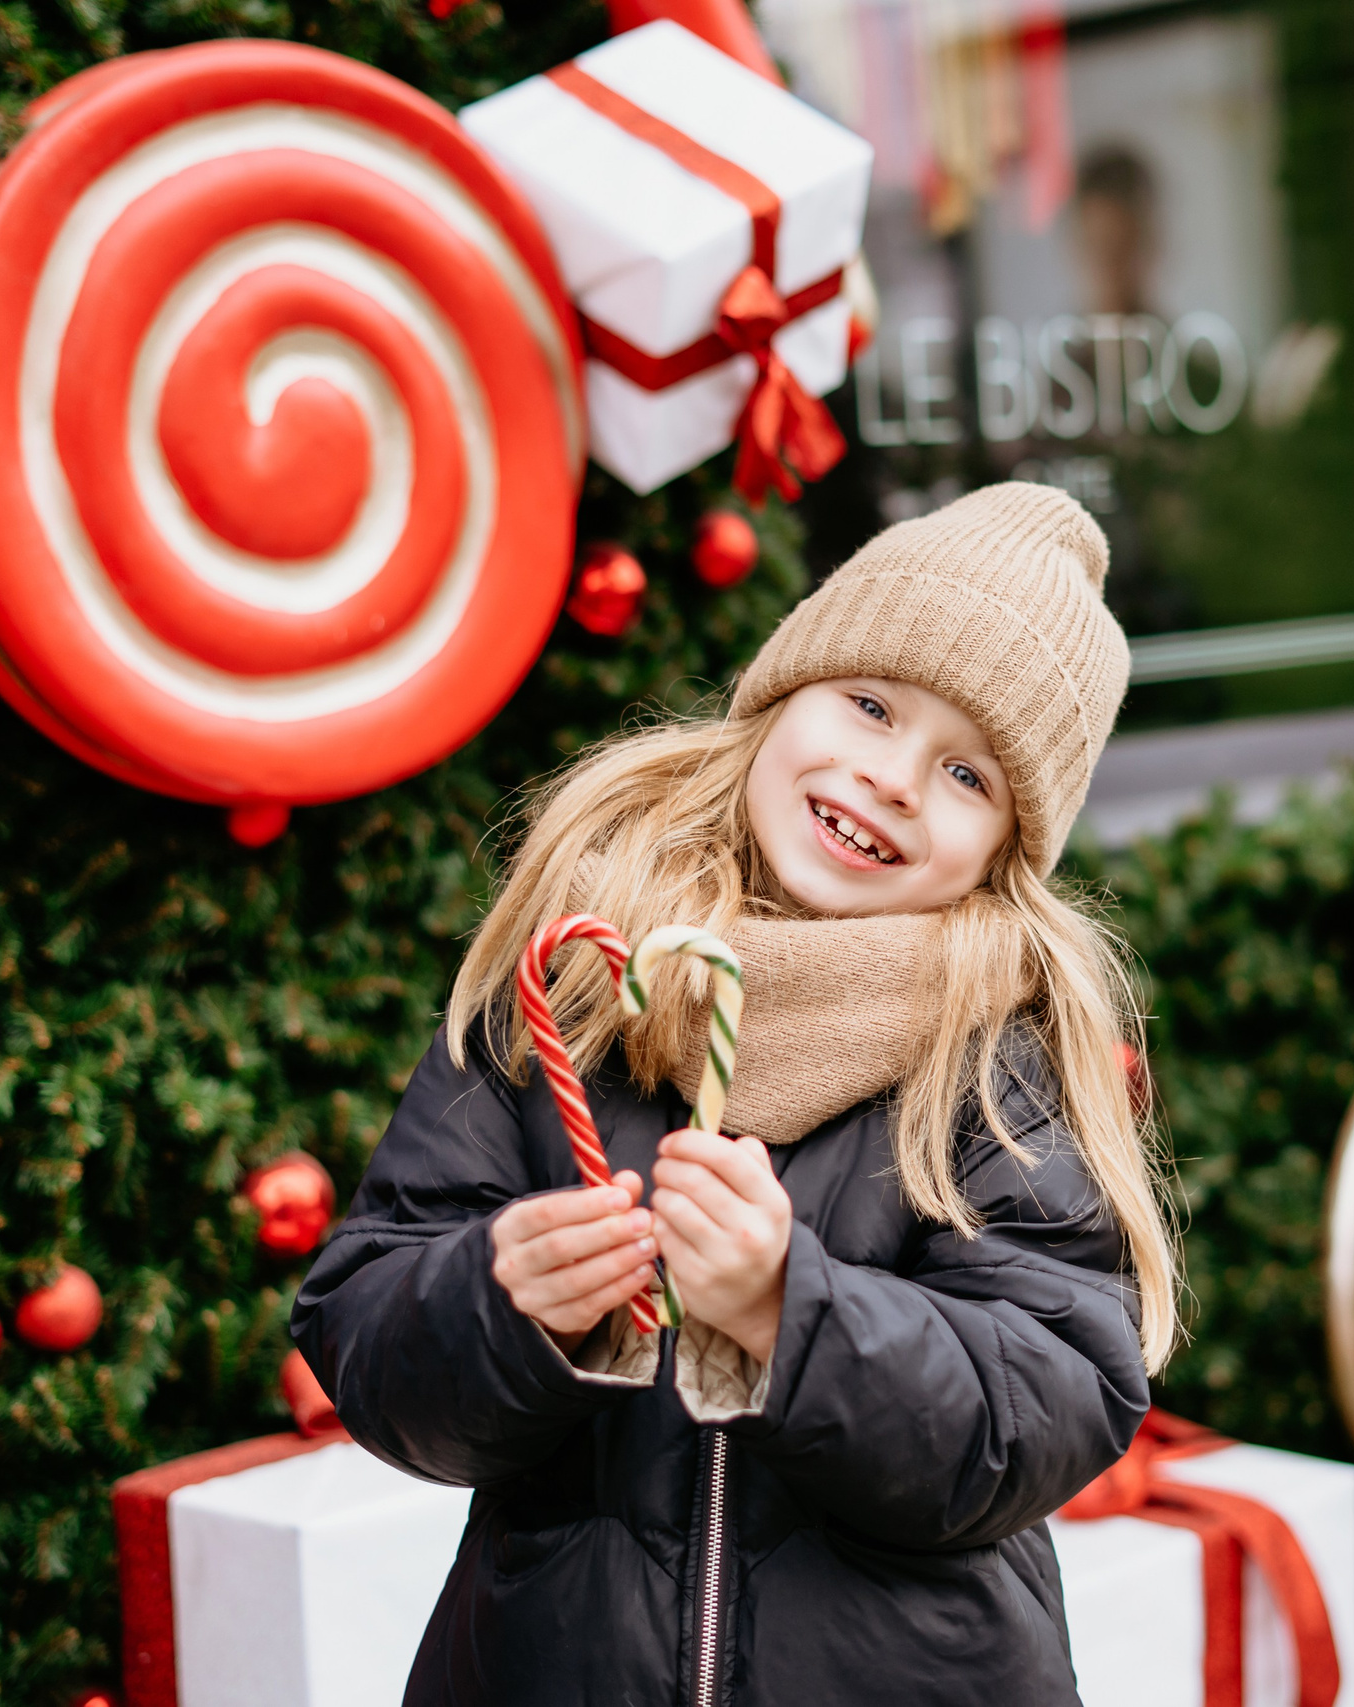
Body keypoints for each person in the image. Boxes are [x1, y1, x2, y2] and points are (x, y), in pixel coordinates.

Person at [291, 483, 1178, 1707]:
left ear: (1003, 851)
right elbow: (366, 1338)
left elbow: (1039, 1413)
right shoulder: (577, 989)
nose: (892, 778)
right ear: (781, 691)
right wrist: (501, 1303)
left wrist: (791, 1313)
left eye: (968, 775)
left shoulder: (994, 1063)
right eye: (870, 705)